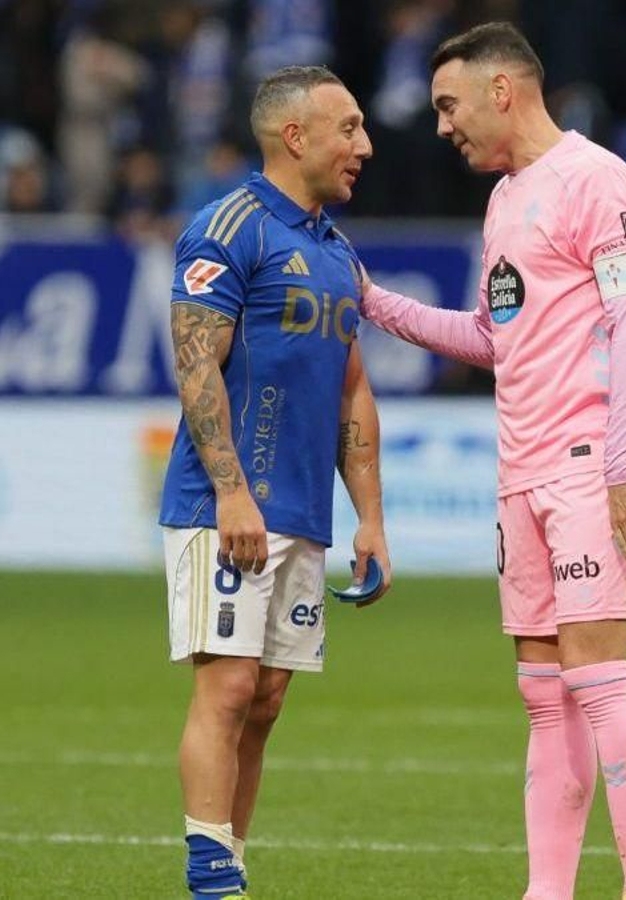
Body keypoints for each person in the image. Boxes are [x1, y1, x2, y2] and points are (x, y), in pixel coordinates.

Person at [357, 22, 626, 900]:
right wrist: (374, 303)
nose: (444, 126)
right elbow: (495, 340)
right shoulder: (503, 200)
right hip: (522, 469)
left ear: (504, 90)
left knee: (600, 681)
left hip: (585, 463)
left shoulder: (596, 178)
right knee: (543, 693)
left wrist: (617, 469)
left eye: (451, 105)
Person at [159, 64, 389, 900]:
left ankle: (233, 861)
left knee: (266, 699)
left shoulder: (336, 250)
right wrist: (229, 491)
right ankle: (211, 878)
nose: (364, 144)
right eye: (350, 127)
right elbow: (196, 368)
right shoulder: (227, 228)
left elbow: (352, 385)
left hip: (305, 510)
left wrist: (370, 517)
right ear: (297, 136)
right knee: (225, 688)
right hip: (227, 506)